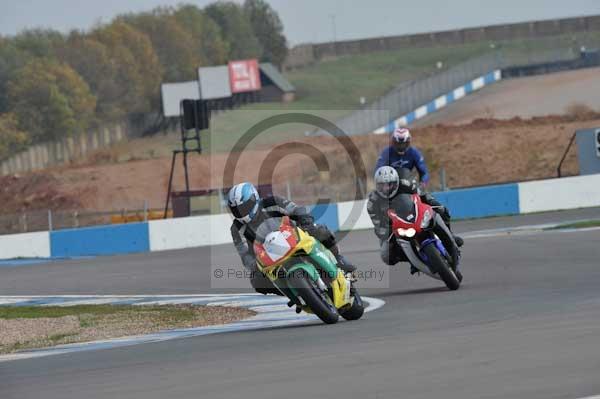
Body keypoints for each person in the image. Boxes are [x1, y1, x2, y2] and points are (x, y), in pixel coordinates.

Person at [227, 182, 356, 295]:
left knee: (318, 230)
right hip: (269, 255)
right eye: (236, 210)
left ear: (253, 199)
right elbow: (244, 254)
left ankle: (339, 259)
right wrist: (254, 266)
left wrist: (305, 220)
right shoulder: (236, 229)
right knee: (257, 281)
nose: (241, 212)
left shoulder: (272, 202)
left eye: (243, 207)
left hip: (294, 236)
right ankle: (293, 292)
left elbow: (296, 209)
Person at [367, 166, 463, 271]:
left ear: (396, 182)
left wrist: (433, 203)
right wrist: (387, 232)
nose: (386, 188)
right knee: (386, 254)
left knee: (442, 210)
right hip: (394, 225)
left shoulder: (406, 184)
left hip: (414, 213)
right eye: (382, 186)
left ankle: (450, 235)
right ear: (377, 186)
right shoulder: (373, 202)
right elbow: (377, 224)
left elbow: (423, 195)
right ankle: (412, 259)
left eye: (389, 184)